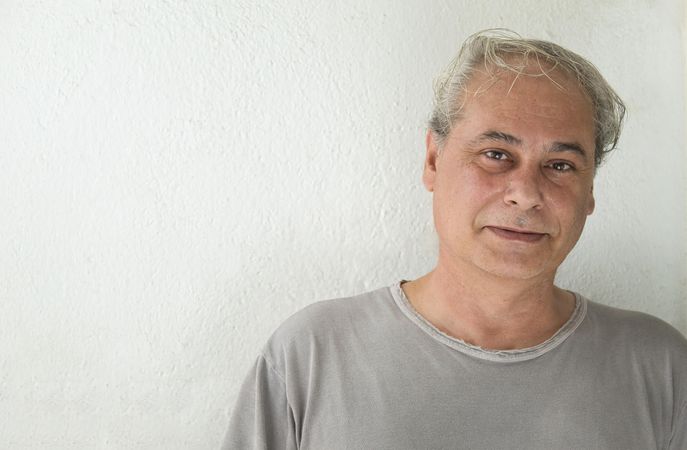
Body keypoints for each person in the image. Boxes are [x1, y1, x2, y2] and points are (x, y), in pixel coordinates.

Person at [223, 30, 687, 449]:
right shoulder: (311, 354)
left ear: (590, 192)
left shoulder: (662, 368)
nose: (525, 194)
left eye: (561, 165)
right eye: (496, 154)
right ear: (433, 160)